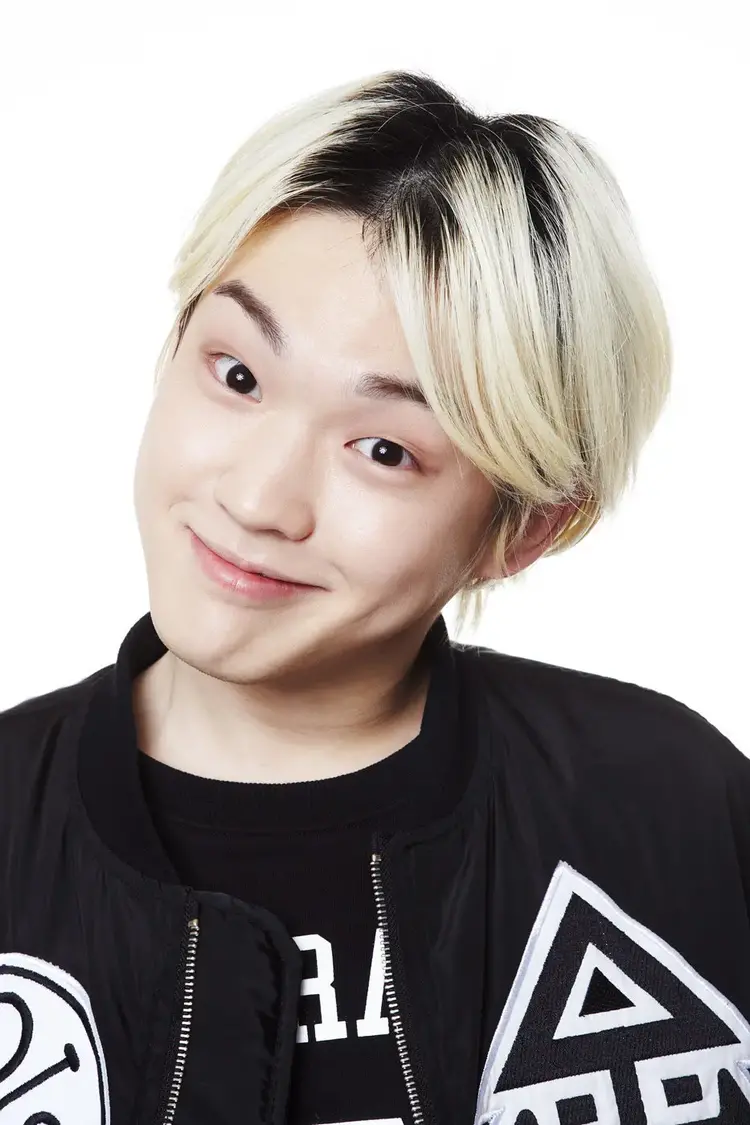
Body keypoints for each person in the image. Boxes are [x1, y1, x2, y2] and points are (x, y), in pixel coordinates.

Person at [1, 68, 748, 1125]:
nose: (258, 500)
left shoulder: (671, 812)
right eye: (237, 375)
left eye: (385, 449)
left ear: (525, 530)